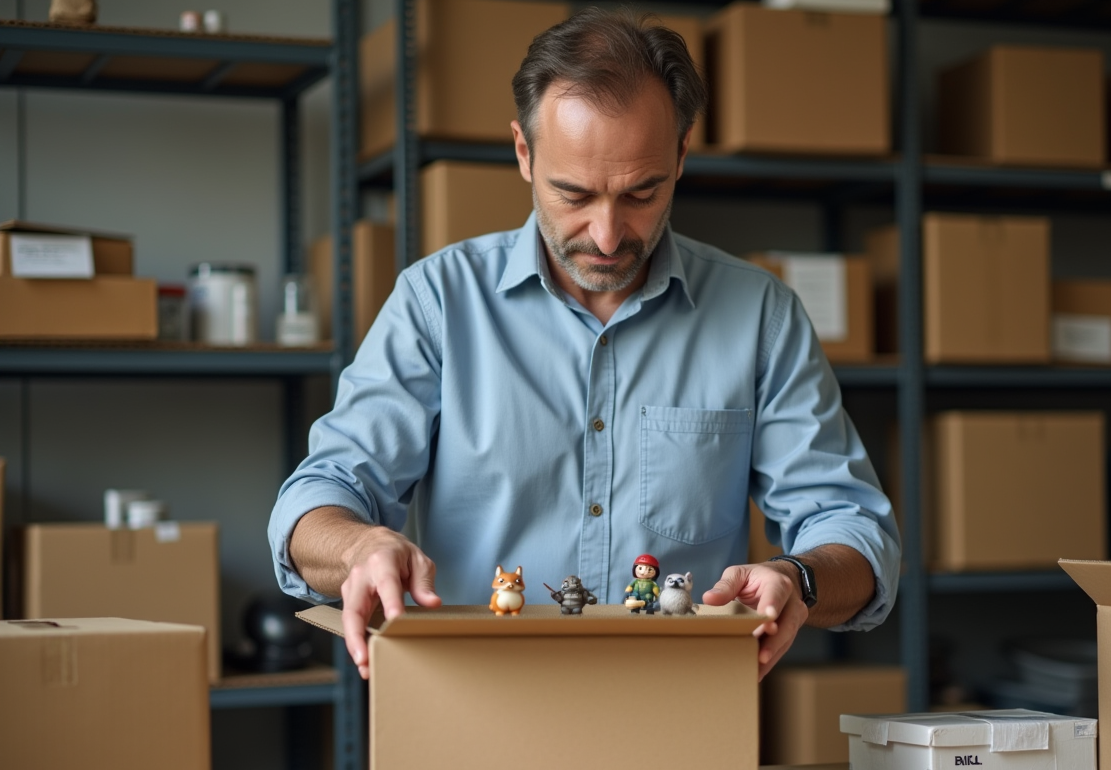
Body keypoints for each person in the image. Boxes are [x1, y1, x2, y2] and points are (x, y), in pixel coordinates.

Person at [268, 8, 900, 682]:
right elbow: (318, 497)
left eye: (642, 193)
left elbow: (857, 532)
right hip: (474, 705)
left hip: (681, 710)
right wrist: (360, 546)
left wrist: (799, 579)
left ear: (681, 154)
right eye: (573, 194)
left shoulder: (760, 316)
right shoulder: (438, 302)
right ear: (523, 152)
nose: (606, 235)